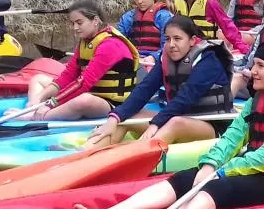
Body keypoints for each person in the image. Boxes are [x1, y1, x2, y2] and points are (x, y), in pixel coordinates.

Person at [75, 35, 264, 209]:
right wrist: (209, 165)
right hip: (254, 170)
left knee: (218, 186)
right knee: (186, 177)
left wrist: (223, 172)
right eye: (254, 64)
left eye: (261, 66)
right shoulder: (257, 101)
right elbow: (231, 139)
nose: (252, 71)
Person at [84, 16, 233, 149]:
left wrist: (156, 123)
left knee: (175, 123)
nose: (171, 44)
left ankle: (136, 157)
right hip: (176, 117)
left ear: (192, 40)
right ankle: (85, 156)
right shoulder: (165, 59)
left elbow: (186, 97)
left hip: (211, 126)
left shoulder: (208, 60)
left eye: (177, 38)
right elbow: (144, 89)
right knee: (128, 117)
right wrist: (114, 117)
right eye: (167, 39)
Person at [15, 0, 139, 121]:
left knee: (83, 101)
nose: (75, 27)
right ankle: (32, 107)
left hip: (112, 102)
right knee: (38, 80)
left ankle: (38, 117)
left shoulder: (110, 45)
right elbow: (68, 75)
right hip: (90, 91)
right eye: (73, 23)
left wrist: (51, 103)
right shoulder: (85, 41)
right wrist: (40, 97)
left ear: (95, 20)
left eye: (79, 23)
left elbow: (84, 83)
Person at [172, 0, 247, 55]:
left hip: (205, 48)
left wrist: (241, 46)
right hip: (182, 47)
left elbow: (227, 25)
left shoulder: (210, 3)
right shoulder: (177, 0)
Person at [116, 0, 173, 64]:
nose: (139, 1)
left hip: (155, 61)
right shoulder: (129, 17)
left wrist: (155, 57)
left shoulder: (164, 17)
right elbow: (116, 41)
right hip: (134, 59)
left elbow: (169, 44)